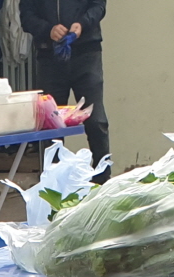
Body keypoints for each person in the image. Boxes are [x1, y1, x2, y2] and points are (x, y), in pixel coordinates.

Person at [19, 0, 109, 173]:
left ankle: (103, 177)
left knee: (96, 120)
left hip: (87, 54)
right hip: (49, 56)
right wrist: (48, 30)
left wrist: (82, 24)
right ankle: (53, 181)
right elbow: (26, 17)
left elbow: (99, 6)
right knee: (51, 125)